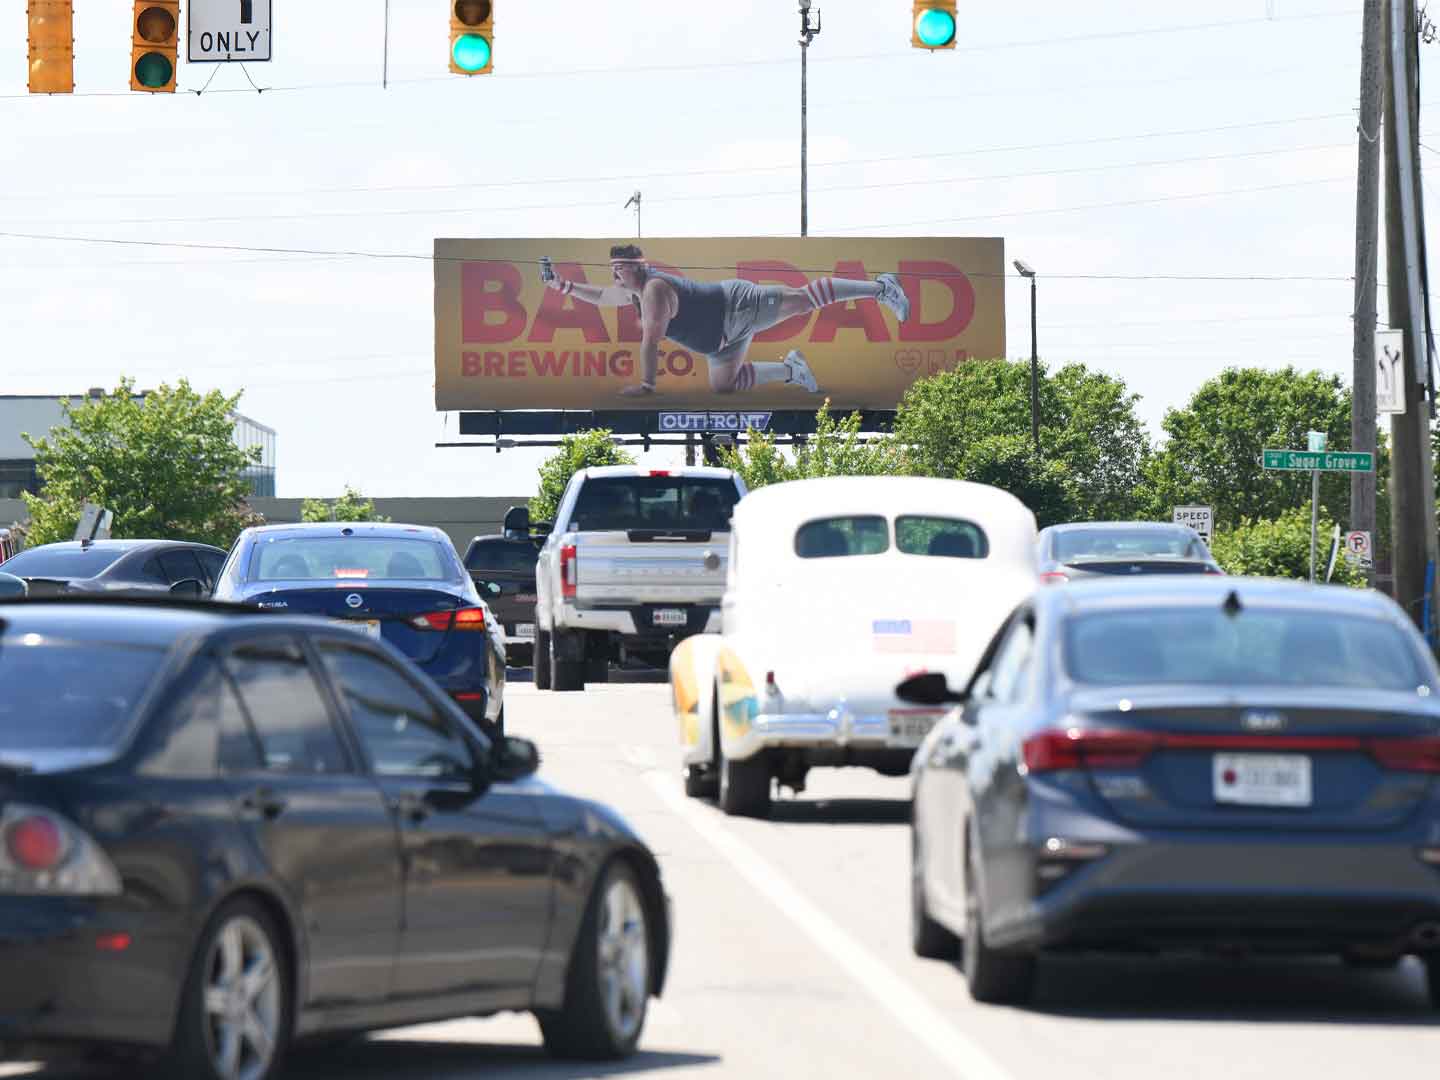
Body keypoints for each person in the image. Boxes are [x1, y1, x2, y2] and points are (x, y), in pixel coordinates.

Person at [539, 245, 911, 397]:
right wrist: (564, 285)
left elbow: (650, 342)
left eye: (620, 270)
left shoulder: (653, 290)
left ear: (637, 268)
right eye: (613, 271)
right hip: (722, 341)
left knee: (800, 301)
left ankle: (880, 288)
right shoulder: (633, 290)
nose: (615, 276)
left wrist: (647, 384)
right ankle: (793, 371)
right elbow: (603, 296)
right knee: (724, 384)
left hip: (737, 306)